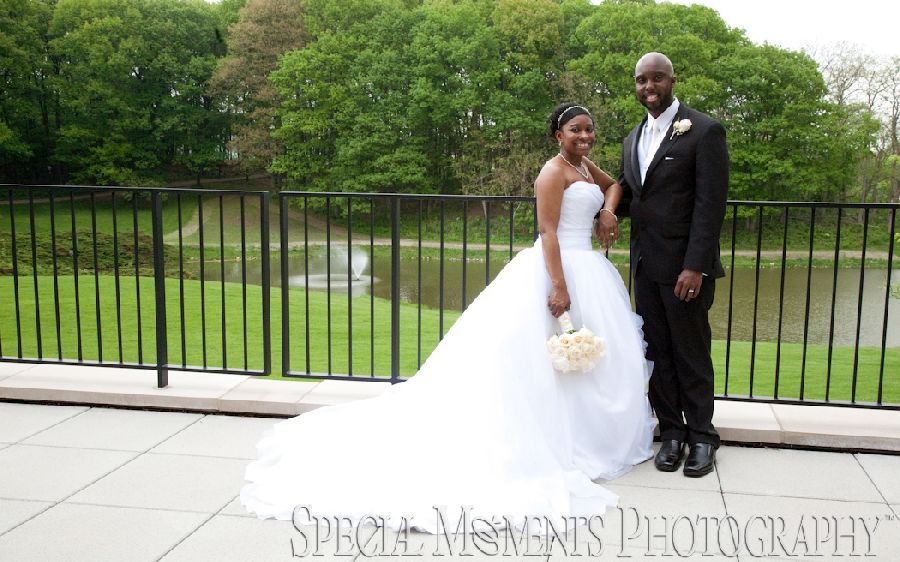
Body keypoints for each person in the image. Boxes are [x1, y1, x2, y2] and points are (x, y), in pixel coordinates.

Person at [241, 103, 654, 532]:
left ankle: (582, 436)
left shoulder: (585, 166)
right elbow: (548, 231)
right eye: (575, 130)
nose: (584, 136)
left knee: (579, 364)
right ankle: (547, 442)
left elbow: (616, 186)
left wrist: (607, 212)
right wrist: (559, 286)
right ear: (557, 134)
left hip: (590, 270)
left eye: (589, 130)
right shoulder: (552, 173)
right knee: (539, 362)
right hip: (558, 269)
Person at [611, 52, 729, 477]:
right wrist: (580, 192)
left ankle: (702, 436)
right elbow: (626, 193)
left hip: (686, 270)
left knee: (691, 353)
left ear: (672, 80)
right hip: (646, 267)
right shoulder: (632, 138)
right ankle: (672, 432)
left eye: (657, 78)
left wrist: (695, 265)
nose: (649, 87)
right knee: (658, 354)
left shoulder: (704, 131)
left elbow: (710, 206)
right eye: (641, 80)